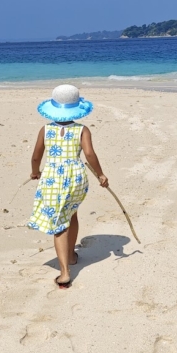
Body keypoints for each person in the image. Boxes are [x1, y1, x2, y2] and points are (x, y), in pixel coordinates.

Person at [28, 84, 109, 289]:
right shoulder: (82, 130)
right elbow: (89, 155)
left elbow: (37, 155)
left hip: (53, 179)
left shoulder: (45, 129)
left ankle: (64, 273)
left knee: (58, 223)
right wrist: (100, 174)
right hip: (76, 178)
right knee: (71, 213)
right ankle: (71, 255)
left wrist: (35, 171)